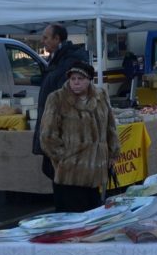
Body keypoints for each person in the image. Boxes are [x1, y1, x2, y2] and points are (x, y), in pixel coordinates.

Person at [39, 61, 121, 213]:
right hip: (70, 175)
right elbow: (47, 136)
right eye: (73, 78)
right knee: (72, 224)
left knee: (93, 220)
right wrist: (65, 159)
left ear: (89, 79)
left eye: (80, 79)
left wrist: (113, 152)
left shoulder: (100, 96)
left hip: (95, 173)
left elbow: (110, 126)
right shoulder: (57, 99)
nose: (75, 82)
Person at [32, 24, 89, 180]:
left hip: (62, 132)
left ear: (57, 39)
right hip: (54, 129)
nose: (42, 41)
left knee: (61, 174)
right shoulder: (57, 59)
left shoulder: (67, 62)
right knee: (53, 171)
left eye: (46, 37)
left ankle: (71, 203)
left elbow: (67, 99)